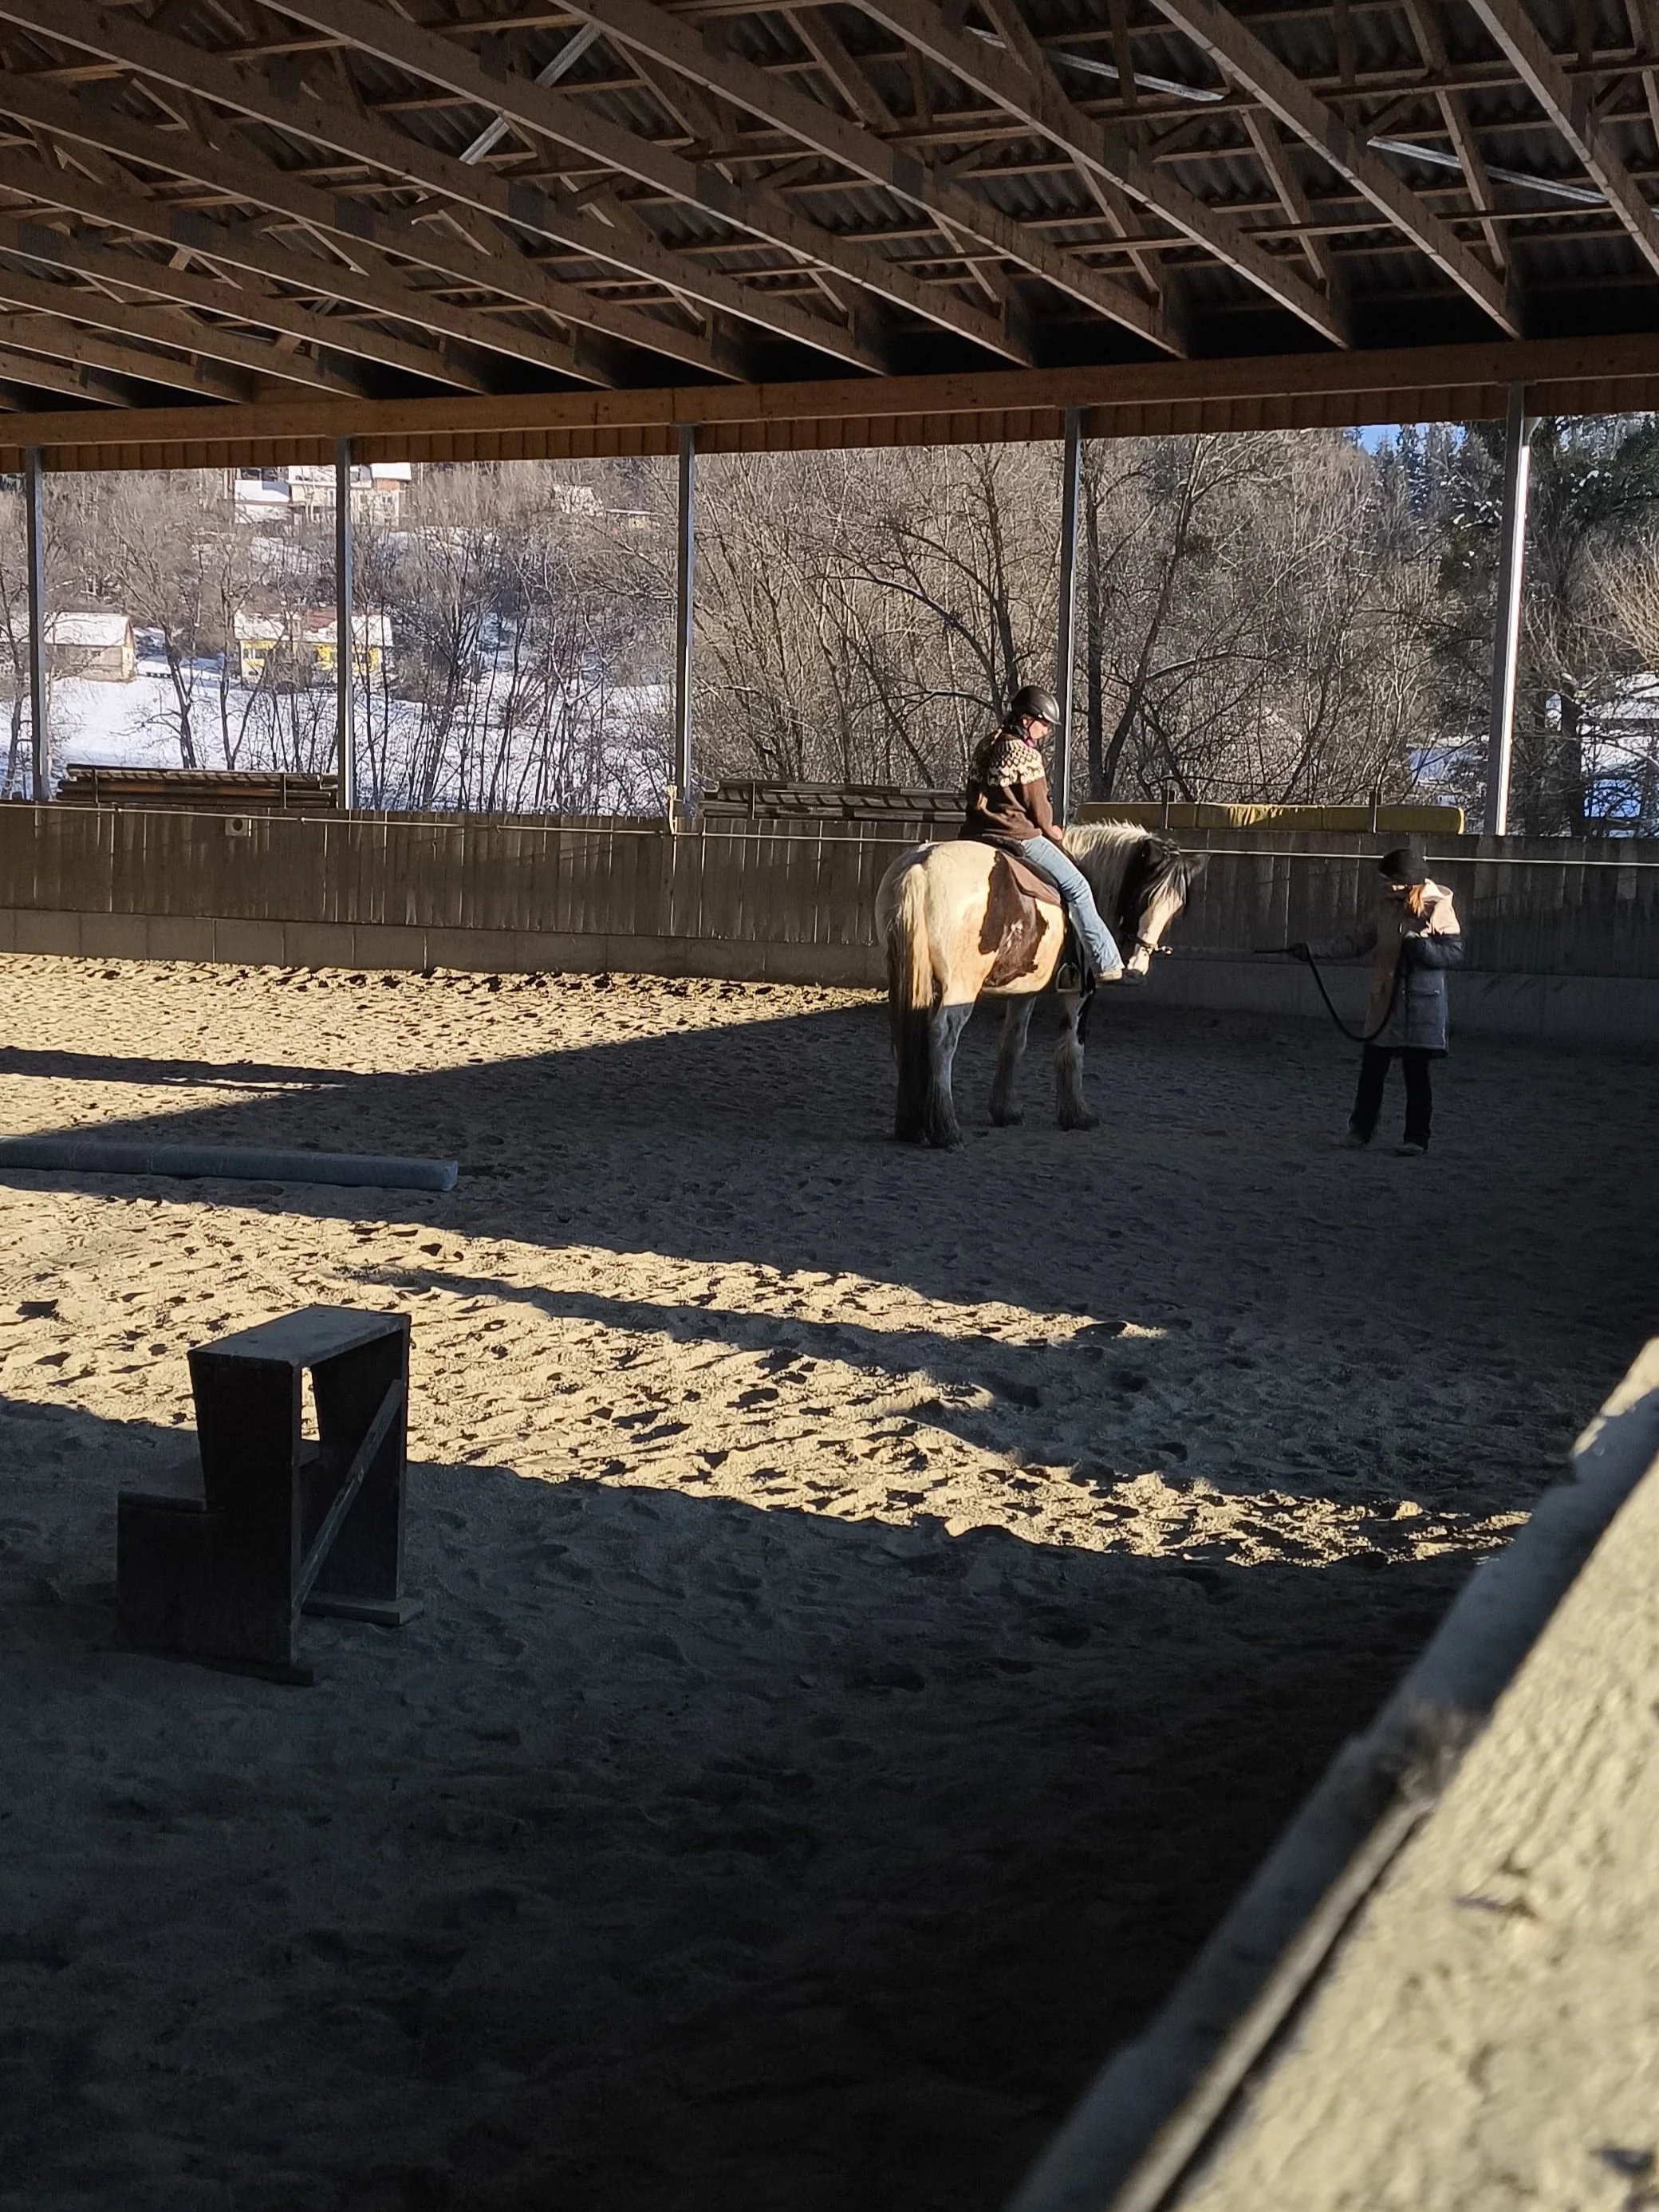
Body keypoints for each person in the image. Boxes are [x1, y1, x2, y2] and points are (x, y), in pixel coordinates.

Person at [1291, 842, 1464, 1156]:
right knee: (1372, 1071)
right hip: (1385, 1001)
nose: (1384, 883)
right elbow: (1357, 942)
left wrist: (1420, 949)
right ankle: (1360, 1130)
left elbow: (1454, 952)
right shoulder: (1384, 905)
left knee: (1416, 1075)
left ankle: (1416, 1138)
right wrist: (1312, 950)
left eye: (1390, 878)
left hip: (1421, 1004)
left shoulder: (1438, 907)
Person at [960, 683, 1122, 984]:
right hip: (1017, 837)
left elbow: (972, 793)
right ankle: (1105, 961)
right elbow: (1040, 811)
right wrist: (1053, 831)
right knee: (1077, 887)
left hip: (976, 834)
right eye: (1044, 723)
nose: (1046, 731)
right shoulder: (1026, 756)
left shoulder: (985, 744)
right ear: (1026, 720)